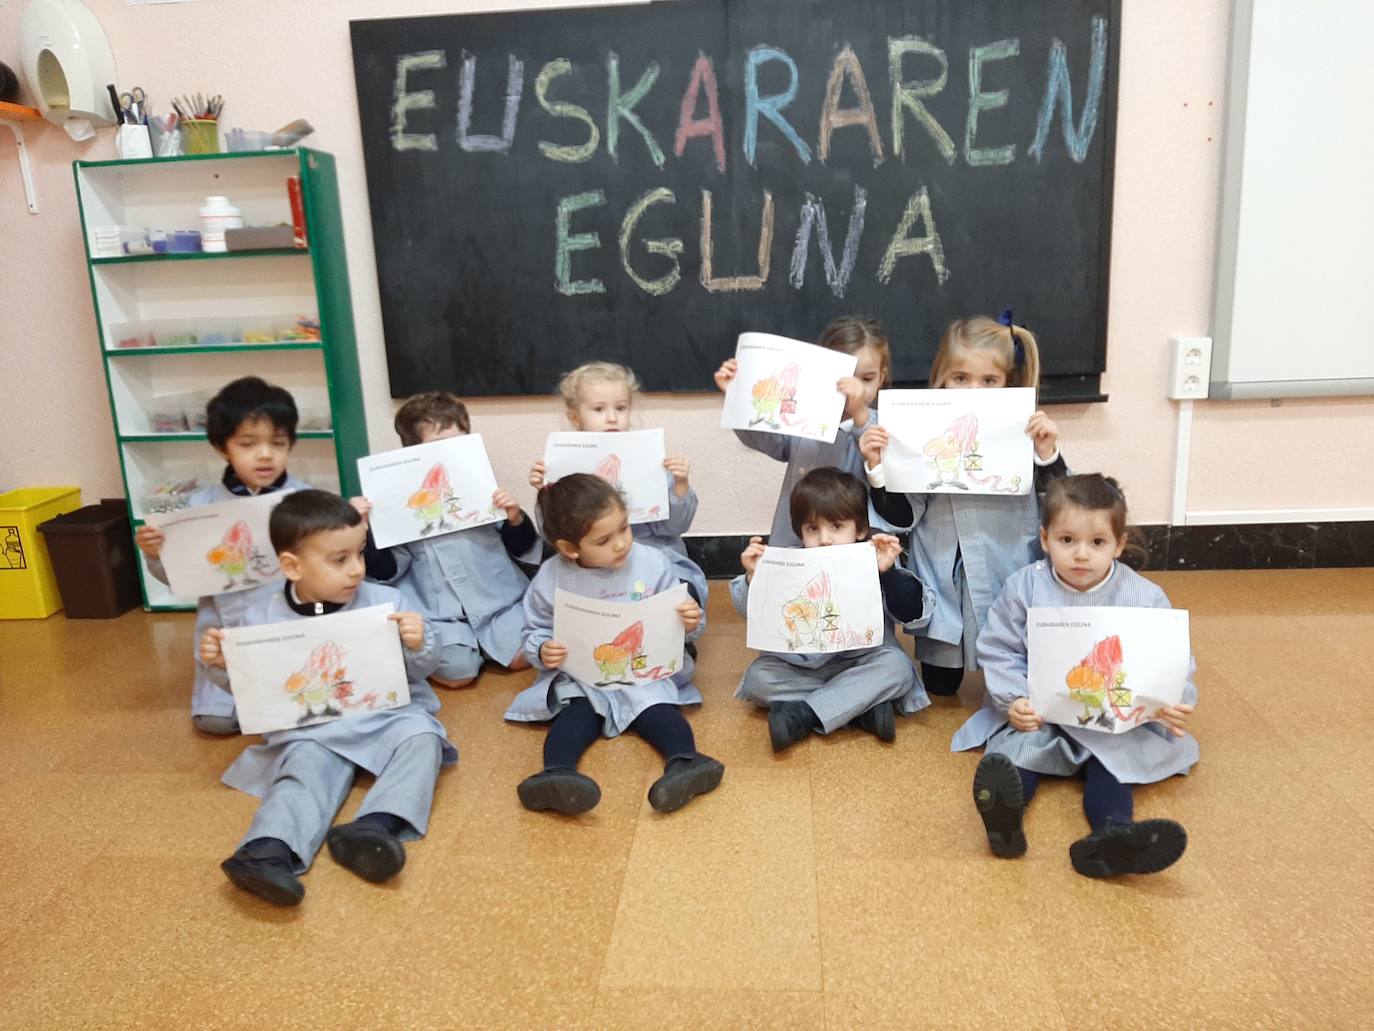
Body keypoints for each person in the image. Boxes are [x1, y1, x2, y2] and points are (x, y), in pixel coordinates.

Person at [201, 490, 456, 906]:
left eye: (360, 554)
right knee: (303, 770)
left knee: (423, 739)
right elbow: (255, 691)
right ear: (292, 566)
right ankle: (267, 851)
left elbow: (423, 669)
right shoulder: (260, 618)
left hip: (387, 716)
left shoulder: (386, 601)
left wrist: (419, 642)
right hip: (311, 727)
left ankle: (375, 827)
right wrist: (221, 666)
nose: (357, 570)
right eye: (339, 560)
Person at [953, 474, 1196, 878]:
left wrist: (1173, 701)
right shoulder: (1024, 588)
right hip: (1044, 715)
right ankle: (1005, 819)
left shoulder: (1144, 596)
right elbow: (999, 649)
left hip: (1115, 724)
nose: (1081, 555)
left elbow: (1173, 658)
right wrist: (1013, 700)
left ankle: (1110, 836)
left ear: (1118, 545)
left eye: (1097, 543)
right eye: (1067, 541)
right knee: (1018, 754)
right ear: (1046, 539)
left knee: (1113, 767)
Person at [861, 312, 1067, 696]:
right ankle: (947, 663)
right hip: (944, 569)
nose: (974, 390)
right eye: (960, 378)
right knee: (940, 683)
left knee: (1015, 671)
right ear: (941, 380)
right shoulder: (921, 434)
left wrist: (1047, 454)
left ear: (1009, 383)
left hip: (1003, 557)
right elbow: (902, 516)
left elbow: (1065, 507)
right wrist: (878, 470)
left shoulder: (1024, 433)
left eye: (989, 380)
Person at [505, 474, 722, 815]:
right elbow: (536, 628)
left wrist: (690, 621)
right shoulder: (551, 578)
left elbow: (677, 619)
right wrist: (543, 648)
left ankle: (687, 763)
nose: (621, 543)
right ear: (569, 548)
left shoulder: (652, 562)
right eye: (604, 540)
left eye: (624, 528)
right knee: (577, 712)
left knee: (657, 707)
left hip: (642, 670)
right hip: (583, 674)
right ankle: (557, 774)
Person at [135, 376, 315, 735]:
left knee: (295, 704)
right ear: (223, 448)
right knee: (216, 722)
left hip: (293, 626)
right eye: (248, 444)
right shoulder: (200, 506)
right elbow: (178, 578)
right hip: (225, 632)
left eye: (277, 443)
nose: (265, 454)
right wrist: (156, 553)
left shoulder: (307, 501)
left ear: (290, 445)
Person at [731, 468, 932, 750]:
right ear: (800, 531)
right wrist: (755, 579)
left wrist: (887, 574)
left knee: (898, 669)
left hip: (863, 661)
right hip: (800, 669)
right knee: (757, 678)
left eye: (836, 527)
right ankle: (861, 708)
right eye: (813, 529)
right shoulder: (789, 563)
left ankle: (803, 715)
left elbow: (912, 612)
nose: (824, 539)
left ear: (860, 529)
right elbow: (750, 615)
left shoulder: (873, 559)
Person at [363, 391, 536, 688]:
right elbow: (388, 570)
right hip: (440, 613)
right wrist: (368, 532)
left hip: (497, 601)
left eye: (461, 443)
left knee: (524, 656)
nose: (451, 456)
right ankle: (466, 649)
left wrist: (515, 518)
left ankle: (491, 644)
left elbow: (521, 547)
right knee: (458, 674)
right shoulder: (400, 503)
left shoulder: (480, 488)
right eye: (439, 448)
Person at [528, 361, 708, 609]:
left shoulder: (648, 459)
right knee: (566, 606)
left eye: (621, 408)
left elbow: (676, 526)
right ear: (574, 416)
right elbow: (555, 533)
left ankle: (673, 633)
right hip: (591, 569)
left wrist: (680, 484)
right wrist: (546, 493)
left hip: (654, 562)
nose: (612, 418)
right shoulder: (563, 463)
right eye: (599, 409)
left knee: (685, 598)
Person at [714, 315, 891, 548]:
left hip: (850, 545)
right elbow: (769, 442)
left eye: (866, 379)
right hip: (797, 537)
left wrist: (860, 415)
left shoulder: (881, 425)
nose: (854, 388)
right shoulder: (805, 416)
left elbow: (884, 476)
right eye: (844, 379)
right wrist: (738, 397)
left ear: (882, 377)